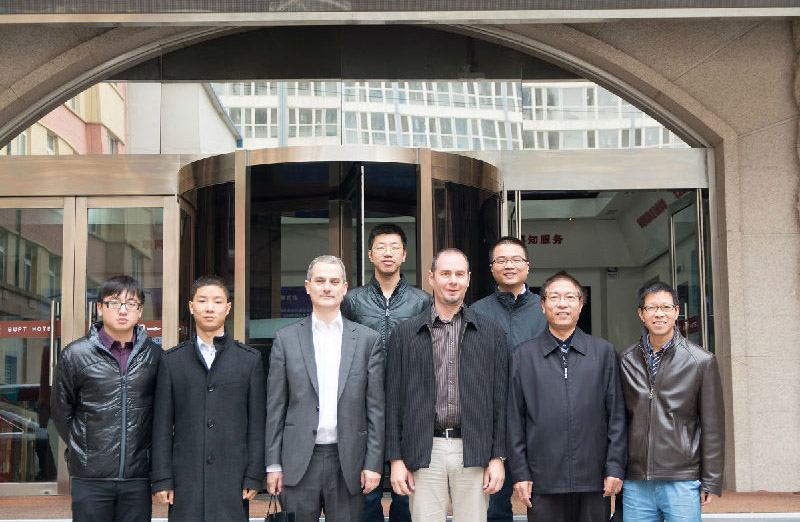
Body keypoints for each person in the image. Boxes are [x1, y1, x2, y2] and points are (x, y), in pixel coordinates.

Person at [386, 248, 508, 522]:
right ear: (431, 278)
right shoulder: (405, 334)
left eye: (459, 274)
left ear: (468, 279)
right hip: (424, 449)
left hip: (474, 449)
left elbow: (501, 401)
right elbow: (393, 401)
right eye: (445, 274)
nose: (453, 280)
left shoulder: (491, 333)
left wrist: (497, 457)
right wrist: (395, 459)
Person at [265, 255, 385, 522]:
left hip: (349, 462)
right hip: (298, 461)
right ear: (308, 287)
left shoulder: (367, 340)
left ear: (345, 288)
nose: (327, 287)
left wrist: (373, 463)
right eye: (320, 281)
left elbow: (376, 409)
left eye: (334, 281)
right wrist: (273, 464)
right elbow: (275, 407)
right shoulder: (286, 338)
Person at [507, 270, 627, 522]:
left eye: (570, 297)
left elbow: (616, 416)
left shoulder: (603, 352)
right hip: (543, 480)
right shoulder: (523, 355)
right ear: (543, 305)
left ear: (581, 304)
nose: (562, 304)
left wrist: (615, 466)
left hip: (594, 480)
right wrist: (520, 473)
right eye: (554, 297)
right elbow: (514, 420)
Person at [151, 275, 266, 522]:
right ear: (191, 307)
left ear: (228, 307)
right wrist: (162, 477)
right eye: (202, 301)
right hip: (186, 478)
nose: (209, 308)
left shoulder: (249, 360)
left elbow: (257, 424)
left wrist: (254, 474)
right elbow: (161, 425)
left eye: (217, 301)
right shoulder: (172, 361)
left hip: (233, 477)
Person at [341, 223, 431, 522]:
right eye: (381, 247)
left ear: (404, 255)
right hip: (364, 404)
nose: (387, 253)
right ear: (370, 255)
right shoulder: (352, 301)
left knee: (407, 490)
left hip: (408, 404)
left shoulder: (422, 301)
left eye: (394, 247)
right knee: (366, 490)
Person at [53, 275, 160, 522]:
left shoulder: (155, 357)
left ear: (140, 310)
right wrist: (84, 448)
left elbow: (160, 412)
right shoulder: (75, 355)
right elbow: (61, 412)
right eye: (114, 303)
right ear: (100, 307)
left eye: (131, 303)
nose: (122, 310)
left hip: (137, 477)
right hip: (90, 478)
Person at [619, 281, 725, 522]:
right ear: (641, 314)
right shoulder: (626, 360)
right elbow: (619, 420)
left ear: (677, 312)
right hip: (636, 481)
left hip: (682, 479)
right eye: (651, 308)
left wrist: (711, 480)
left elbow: (713, 427)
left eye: (666, 307)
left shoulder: (701, 361)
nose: (659, 314)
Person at [470, 236, 547, 522]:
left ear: (527, 266)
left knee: (542, 502)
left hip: (539, 420)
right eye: (501, 260)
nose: (509, 265)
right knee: (494, 505)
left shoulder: (545, 308)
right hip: (492, 421)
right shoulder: (476, 312)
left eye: (515, 259)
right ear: (492, 268)